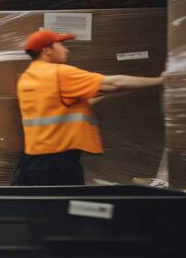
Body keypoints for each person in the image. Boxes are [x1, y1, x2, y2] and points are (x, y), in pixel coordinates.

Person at [13, 29, 164, 186]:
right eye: (61, 45)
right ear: (46, 50)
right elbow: (115, 83)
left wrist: (109, 91)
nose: (66, 49)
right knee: (66, 208)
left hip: (32, 163)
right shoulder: (59, 73)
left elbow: (63, 107)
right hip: (57, 166)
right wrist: (161, 80)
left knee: (39, 209)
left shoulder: (26, 77)